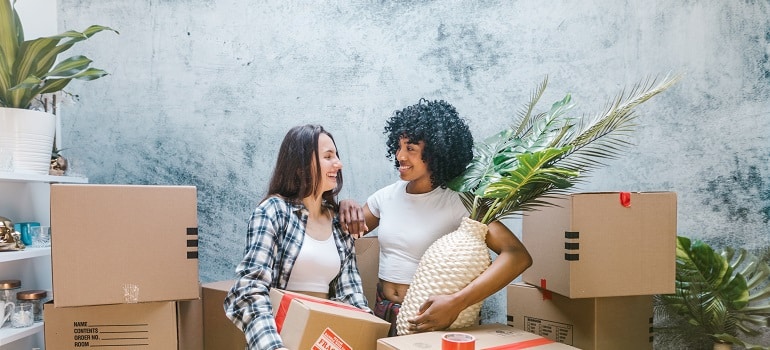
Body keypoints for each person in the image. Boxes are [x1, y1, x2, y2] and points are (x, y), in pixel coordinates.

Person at [340, 99, 533, 336]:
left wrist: (457, 303)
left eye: (410, 148)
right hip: (385, 314)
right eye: (398, 146)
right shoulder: (386, 197)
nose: (400, 156)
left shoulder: (459, 203)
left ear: (436, 152)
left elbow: (517, 256)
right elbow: (342, 233)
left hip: (431, 320)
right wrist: (344, 204)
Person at [224, 124, 371, 350]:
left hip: (322, 341)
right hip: (277, 340)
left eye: (337, 156)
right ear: (301, 167)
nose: (338, 164)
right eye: (328, 156)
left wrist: (367, 334)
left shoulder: (338, 224)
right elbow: (250, 289)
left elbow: (351, 296)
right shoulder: (273, 211)